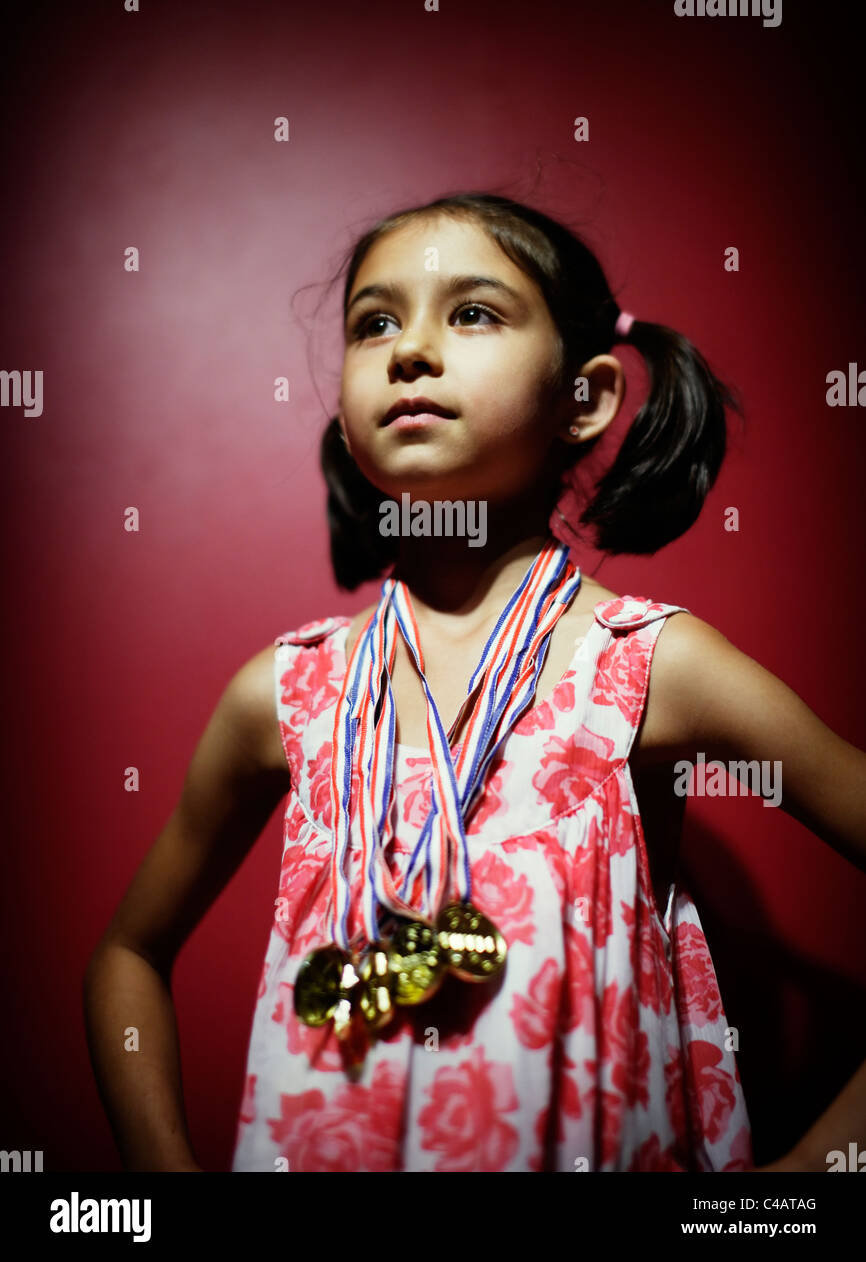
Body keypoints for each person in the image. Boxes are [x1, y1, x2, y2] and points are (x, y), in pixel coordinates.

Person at [83, 191, 866, 1172]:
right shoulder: (283, 693)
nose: (409, 349)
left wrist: (802, 1186)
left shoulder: (646, 666)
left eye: (471, 312)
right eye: (375, 322)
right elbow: (126, 955)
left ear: (582, 398)